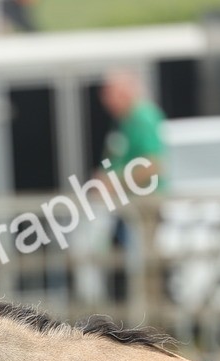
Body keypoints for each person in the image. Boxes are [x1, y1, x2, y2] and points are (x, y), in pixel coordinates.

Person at [73, 70, 167, 303]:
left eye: (109, 94)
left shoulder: (142, 117)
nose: (105, 101)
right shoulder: (126, 121)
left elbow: (153, 165)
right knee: (127, 263)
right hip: (126, 205)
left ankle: (150, 323)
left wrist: (113, 182)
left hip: (143, 205)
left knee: (144, 267)